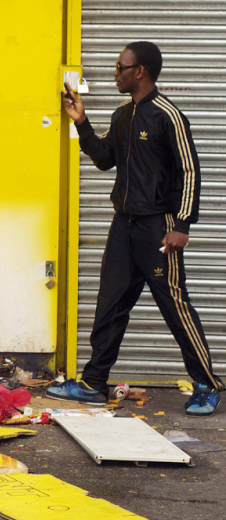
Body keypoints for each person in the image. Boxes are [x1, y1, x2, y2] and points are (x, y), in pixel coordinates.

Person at [50, 41, 223, 416]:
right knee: (110, 304)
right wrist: (81, 121)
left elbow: (189, 171)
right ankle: (94, 384)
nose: (115, 72)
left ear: (139, 71)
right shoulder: (122, 115)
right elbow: (103, 159)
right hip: (123, 226)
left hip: (158, 229)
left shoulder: (167, 116)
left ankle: (207, 385)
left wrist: (182, 224)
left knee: (175, 306)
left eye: (120, 66)